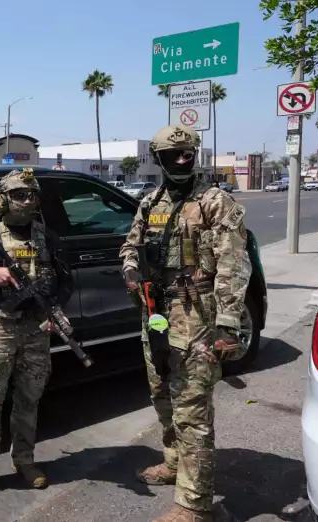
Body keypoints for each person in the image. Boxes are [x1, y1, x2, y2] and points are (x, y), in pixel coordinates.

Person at [119, 125, 251, 522]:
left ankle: (194, 503)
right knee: (161, 393)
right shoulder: (150, 203)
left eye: (188, 152)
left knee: (192, 408)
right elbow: (130, 244)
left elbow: (233, 263)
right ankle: (174, 461)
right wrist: (130, 268)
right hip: (157, 313)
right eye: (173, 154)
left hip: (198, 315)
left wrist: (228, 324)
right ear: (158, 159)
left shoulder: (215, 202)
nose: (182, 159)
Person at [0, 168, 74, 505]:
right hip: (0, 328)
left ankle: (24, 460)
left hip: (36, 331)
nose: (27, 200)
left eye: (32, 194)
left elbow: (66, 282)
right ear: (3, 199)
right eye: (19, 194)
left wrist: (57, 311)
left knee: (28, 400)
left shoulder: (46, 236)